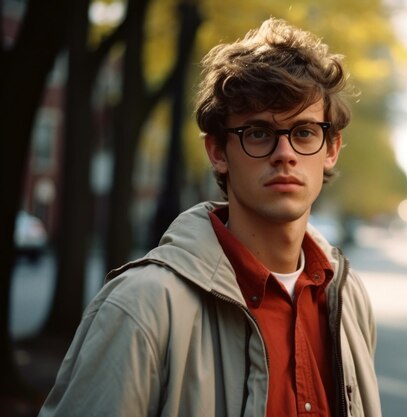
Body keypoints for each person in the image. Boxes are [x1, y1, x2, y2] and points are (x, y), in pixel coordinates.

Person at [39, 17, 381, 417]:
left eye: (304, 132)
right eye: (258, 133)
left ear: (331, 148)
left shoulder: (348, 297)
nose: (285, 153)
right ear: (218, 152)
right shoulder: (141, 306)